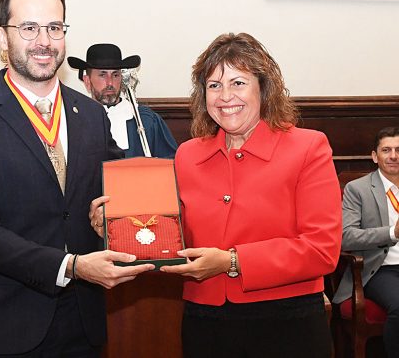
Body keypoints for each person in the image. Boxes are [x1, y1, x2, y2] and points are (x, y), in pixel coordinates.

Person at [0, 0, 154, 357]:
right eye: (29, 28)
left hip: (83, 326)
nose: (44, 41)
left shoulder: (90, 114)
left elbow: (112, 193)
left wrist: (111, 215)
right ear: (1, 37)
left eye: (54, 28)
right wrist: (70, 266)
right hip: (4, 328)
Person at [137, 32, 339, 357]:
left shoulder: (308, 147)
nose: (225, 96)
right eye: (214, 85)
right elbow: (169, 233)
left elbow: (322, 250)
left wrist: (232, 262)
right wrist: (115, 221)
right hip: (205, 321)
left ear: (263, 87)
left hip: (288, 321)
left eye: (238, 83)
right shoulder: (187, 154)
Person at [333, 126, 399, 358]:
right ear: (375, 156)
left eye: (398, 150)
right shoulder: (358, 189)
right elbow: (346, 237)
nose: (393, 155)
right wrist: (392, 232)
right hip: (379, 269)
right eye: (386, 150)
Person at [68, 43, 178, 158]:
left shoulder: (146, 120)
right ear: (87, 81)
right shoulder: (75, 121)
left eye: (115, 75)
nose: (110, 83)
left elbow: (170, 164)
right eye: (102, 75)